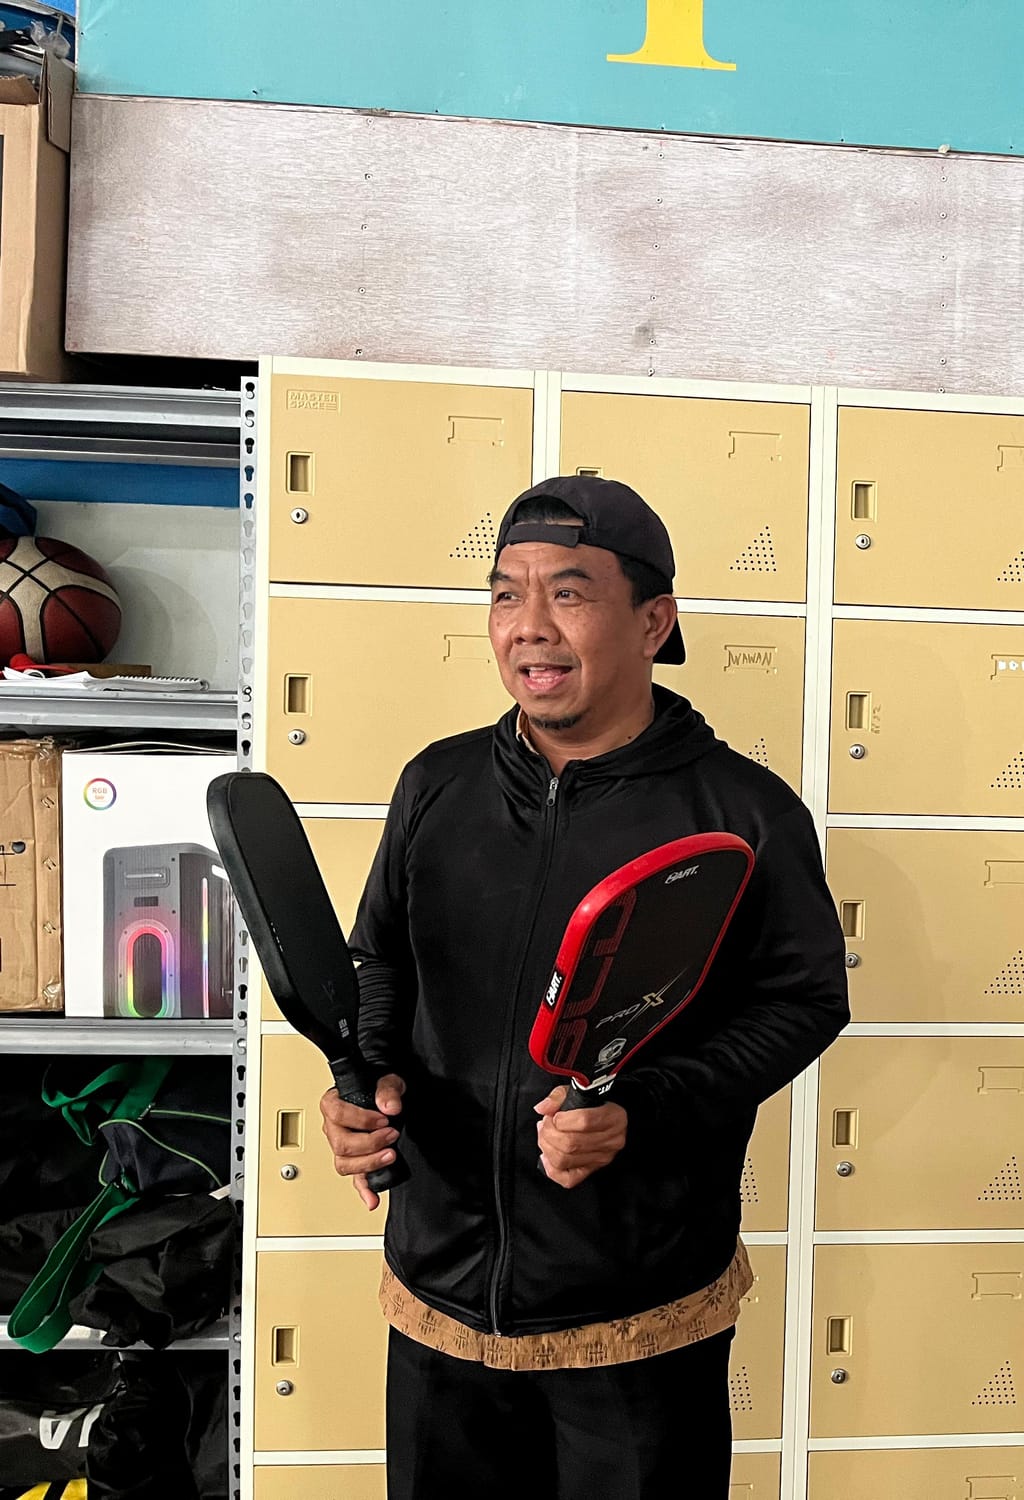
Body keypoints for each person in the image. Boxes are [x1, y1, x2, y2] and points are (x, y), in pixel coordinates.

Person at [318, 474, 849, 1500]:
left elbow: (803, 1002)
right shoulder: (436, 784)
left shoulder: (742, 813)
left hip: (636, 1307)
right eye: (505, 594)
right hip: (439, 1290)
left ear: (654, 622)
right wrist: (364, 1077)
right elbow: (379, 958)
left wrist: (641, 1112)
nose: (529, 625)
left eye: (567, 592)